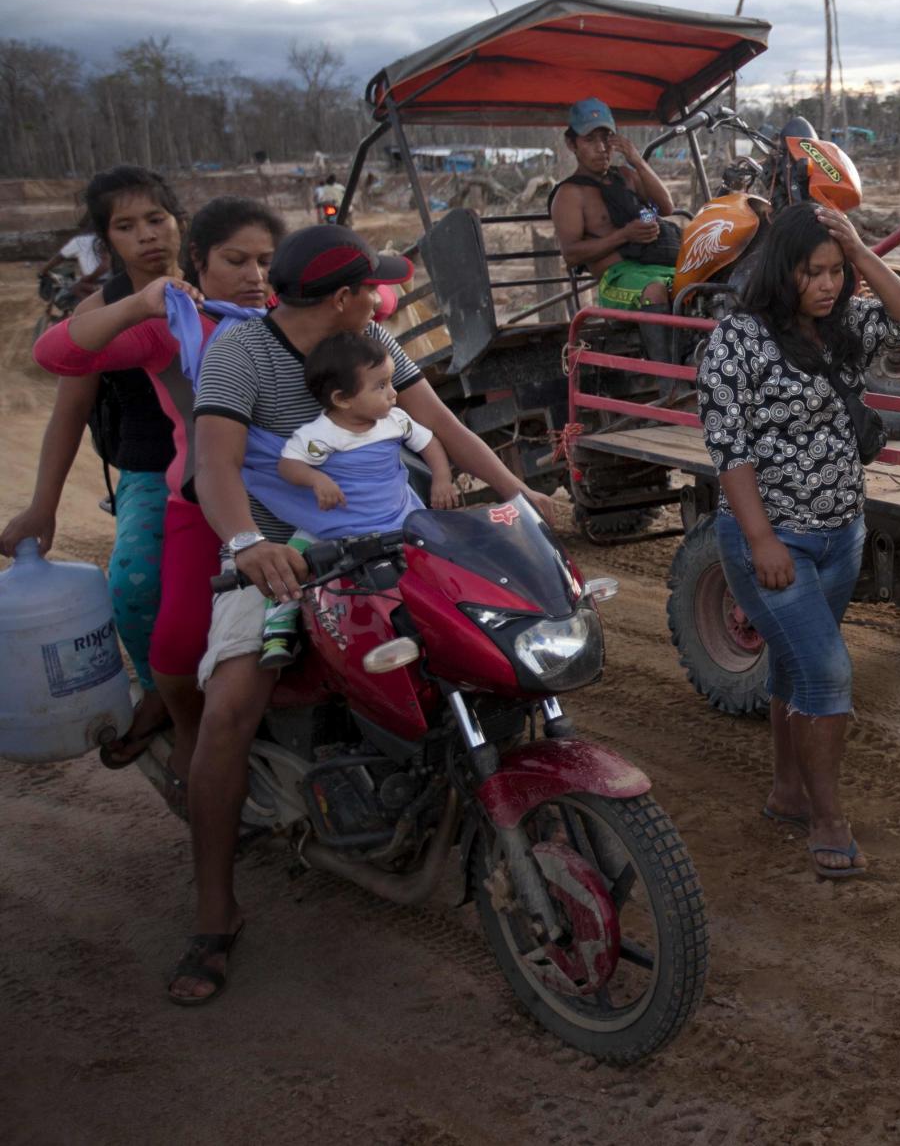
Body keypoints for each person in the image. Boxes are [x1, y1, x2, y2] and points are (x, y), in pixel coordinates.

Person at [176, 224, 556, 1005]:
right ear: (344, 296)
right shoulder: (240, 352)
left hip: (396, 539)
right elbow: (212, 465)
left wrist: (522, 496)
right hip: (283, 554)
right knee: (231, 706)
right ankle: (215, 910)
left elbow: (442, 426)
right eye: (369, 284)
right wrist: (247, 542)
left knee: (499, 638)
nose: (379, 295)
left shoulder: (370, 336)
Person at [696, 203, 900, 879]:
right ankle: (828, 820)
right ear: (782, 270)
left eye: (835, 272)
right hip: (772, 542)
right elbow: (728, 447)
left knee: (797, 666)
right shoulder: (736, 338)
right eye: (813, 272)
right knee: (827, 670)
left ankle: (788, 790)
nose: (828, 285)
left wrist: (860, 251)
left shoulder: (846, 323)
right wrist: (762, 537)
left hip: (842, 532)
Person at [33, 197, 283, 802]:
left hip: (292, 493)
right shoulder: (160, 320)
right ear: (201, 258)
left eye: (266, 262)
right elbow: (57, 358)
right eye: (236, 260)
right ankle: (187, 726)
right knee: (166, 623)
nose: (254, 275)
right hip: (189, 487)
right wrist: (140, 304)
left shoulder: (287, 310)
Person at [4, 167, 186, 767]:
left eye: (156, 219)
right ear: (109, 243)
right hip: (153, 468)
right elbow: (68, 413)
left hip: (248, 461)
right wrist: (42, 507)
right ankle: (162, 695)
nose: (147, 237)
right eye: (126, 227)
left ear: (179, 221)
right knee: (134, 584)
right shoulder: (100, 311)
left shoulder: (227, 281)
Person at [261, 332, 457, 666]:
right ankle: (278, 627)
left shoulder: (395, 421)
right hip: (335, 524)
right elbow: (288, 465)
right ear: (343, 399)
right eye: (380, 386)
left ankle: (452, 611)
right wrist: (316, 478)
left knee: (442, 556)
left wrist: (442, 478)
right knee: (291, 559)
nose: (394, 394)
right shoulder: (320, 435)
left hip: (397, 515)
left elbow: (429, 443)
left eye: (391, 382)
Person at [549, 97, 683, 317]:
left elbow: (665, 207)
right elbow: (571, 255)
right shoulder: (569, 194)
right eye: (590, 140)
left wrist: (637, 161)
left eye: (606, 138)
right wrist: (624, 236)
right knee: (656, 292)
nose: (601, 148)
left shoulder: (626, 176)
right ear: (572, 144)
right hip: (617, 278)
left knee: (706, 282)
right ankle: (661, 353)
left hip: (657, 264)